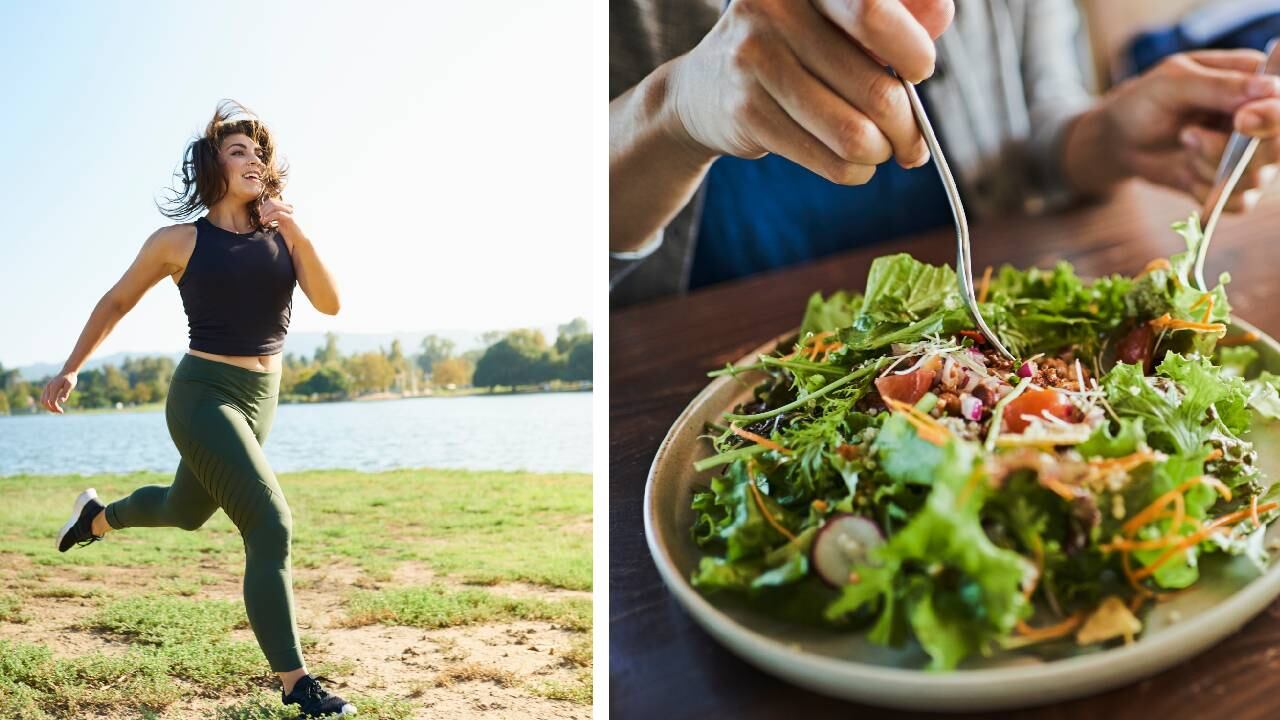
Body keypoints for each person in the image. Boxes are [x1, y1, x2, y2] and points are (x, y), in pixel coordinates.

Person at [610, 0, 1280, 306]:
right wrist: (671, 110)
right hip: (680, 383)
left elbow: (1042, 123)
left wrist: (1106, 136)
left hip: (983, 305)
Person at [40, 100, 355, 718]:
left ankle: (96, 519)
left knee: (186, 511)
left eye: (258, 152)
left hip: (263, 398)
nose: (253, 160)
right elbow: (116, 300)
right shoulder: (179, 241)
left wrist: (292, 229)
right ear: (213, 167)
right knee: (270, 524)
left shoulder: (281, 235)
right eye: (238, 151)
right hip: (203, 394)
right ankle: (297, 683)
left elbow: (331, 303)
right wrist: (72, 365)